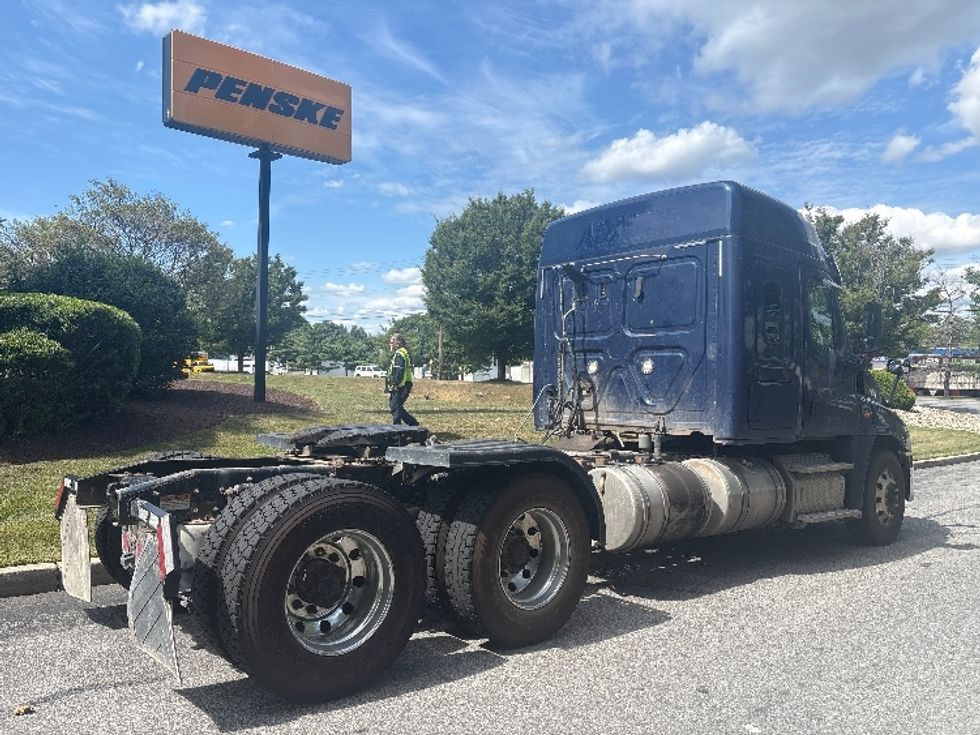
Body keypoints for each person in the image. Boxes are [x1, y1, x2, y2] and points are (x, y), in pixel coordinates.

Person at [387, 333, 419, 426]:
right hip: (405, 384)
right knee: (396, 407)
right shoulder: (404, 352)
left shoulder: (399, 354)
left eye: (392, 342)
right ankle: (414, 425)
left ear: (398, 343)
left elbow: (399, 370)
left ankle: (397, 429)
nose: (390, 344)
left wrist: (395, 384)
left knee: (395, 408)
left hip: (401, 385)